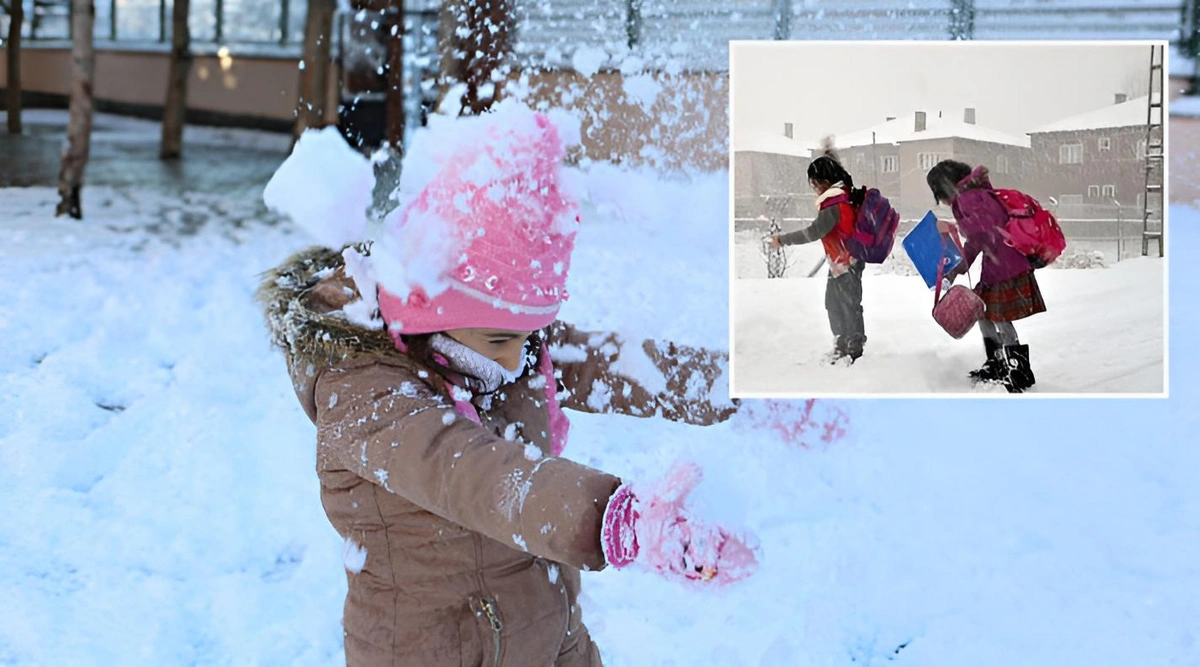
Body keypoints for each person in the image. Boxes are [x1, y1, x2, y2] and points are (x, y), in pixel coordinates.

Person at [257, 104, 758, 667]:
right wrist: (619, 520)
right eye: (502, 338)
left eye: (530, 335)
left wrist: (740, 385)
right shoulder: (368, 397)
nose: (520, 356)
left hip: (548, 633)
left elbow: (611, 363)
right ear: (431, 314)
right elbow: (481, 476)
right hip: (439, 651)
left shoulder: (492, 341)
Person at [925, 160, 1045, 393]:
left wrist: (957, 268)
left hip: (1005, 265)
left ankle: (1016, 370)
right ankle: (998, 363)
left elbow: (979, 237)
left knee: (999, 316)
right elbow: (980, 233)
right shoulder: (973, 195)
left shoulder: (968, 199)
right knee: (984, 312)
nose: (940, 200)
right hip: (1000, 262)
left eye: (938, 193)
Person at [769, 149, 868, 364]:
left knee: (847, 305)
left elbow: (814, 232)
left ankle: (853, 347)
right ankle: (843, 343)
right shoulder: (844, 195)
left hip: (846, 262)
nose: (813, 189)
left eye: (814, 184)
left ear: (824, 182)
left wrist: (782, 240)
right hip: (842, 262)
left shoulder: (834, 204)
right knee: (834, 303)